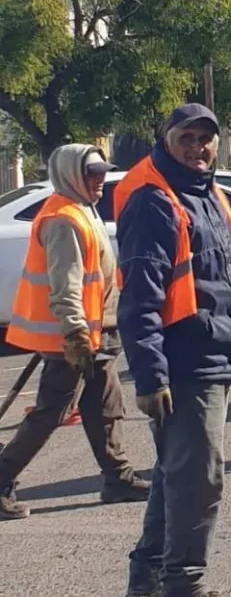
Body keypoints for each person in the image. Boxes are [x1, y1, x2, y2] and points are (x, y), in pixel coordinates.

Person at [114, 103, 231, 597]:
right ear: (166, 138)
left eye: (206, 138)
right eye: (187, 137)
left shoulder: (205, 194)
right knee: (198, 480)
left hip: (210, 354)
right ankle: (183, 591)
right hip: (184, 365)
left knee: (174, 476)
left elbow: (223, 282)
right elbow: (139, 298)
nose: (198, 147)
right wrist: (150, 376)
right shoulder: (156, 201)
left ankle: (148, 580)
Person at [1, 145, 150, 520]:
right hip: (77, 338)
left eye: (102, 172)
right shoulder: (63, 219)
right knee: (52, 412)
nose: (100, 180)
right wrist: (75, 336)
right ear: (71, 175)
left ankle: (117, 478)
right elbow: (65, 287)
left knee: (106, 408)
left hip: (97, 333)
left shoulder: (83, 209)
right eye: (92, 173)